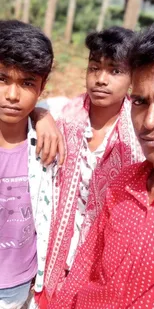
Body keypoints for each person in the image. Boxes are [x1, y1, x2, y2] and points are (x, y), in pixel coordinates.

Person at [46, 23, 154, 309]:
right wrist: (40, 116)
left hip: (103, 257)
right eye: (95, 68)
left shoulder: (138, 141)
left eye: (115, 71)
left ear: (132, 77)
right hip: (55, 250)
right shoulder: (61, 116)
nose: (101, 79)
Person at [0, 19, 60, 309]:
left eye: (26, 83)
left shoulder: (48, 146)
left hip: (19, 284)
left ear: (42, 86)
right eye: (1, 78)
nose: (12, 95)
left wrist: (42, 115)